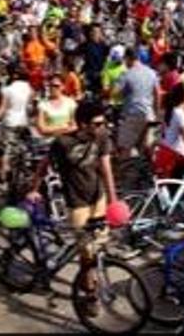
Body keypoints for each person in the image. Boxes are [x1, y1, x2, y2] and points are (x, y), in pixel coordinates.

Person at [27, 101, 119, 316]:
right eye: (97, 124)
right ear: (82, 123)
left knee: (99, 247)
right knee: (86, 252)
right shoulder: (63, 143)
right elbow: (44, 165)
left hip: (98, 198)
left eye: (103, 123)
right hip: (76, 202)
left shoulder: (103, 137)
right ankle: (90, 294)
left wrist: (114, 200)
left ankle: (90, 281)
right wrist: (34, 188)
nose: (101, 127)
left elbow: (106, 169)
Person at [0, 65, 33, 183]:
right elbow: (30, 105)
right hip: (23, 121)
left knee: (3, 149)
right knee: (19, 148)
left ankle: (3, 174)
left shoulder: (7, 89)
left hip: (9, 121)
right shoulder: (28, 87)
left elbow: (2, 108)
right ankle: (18, 171)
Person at [115, 47, 160, 158]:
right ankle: (149, 171)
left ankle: (125, 173)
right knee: (145, 148)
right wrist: (156, 113)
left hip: (132, 114)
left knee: (125, 147)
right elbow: (157, 94)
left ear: (127, 58)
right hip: (149, 115)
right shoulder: (152, 73)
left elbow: (114, 92)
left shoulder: (126, 74)